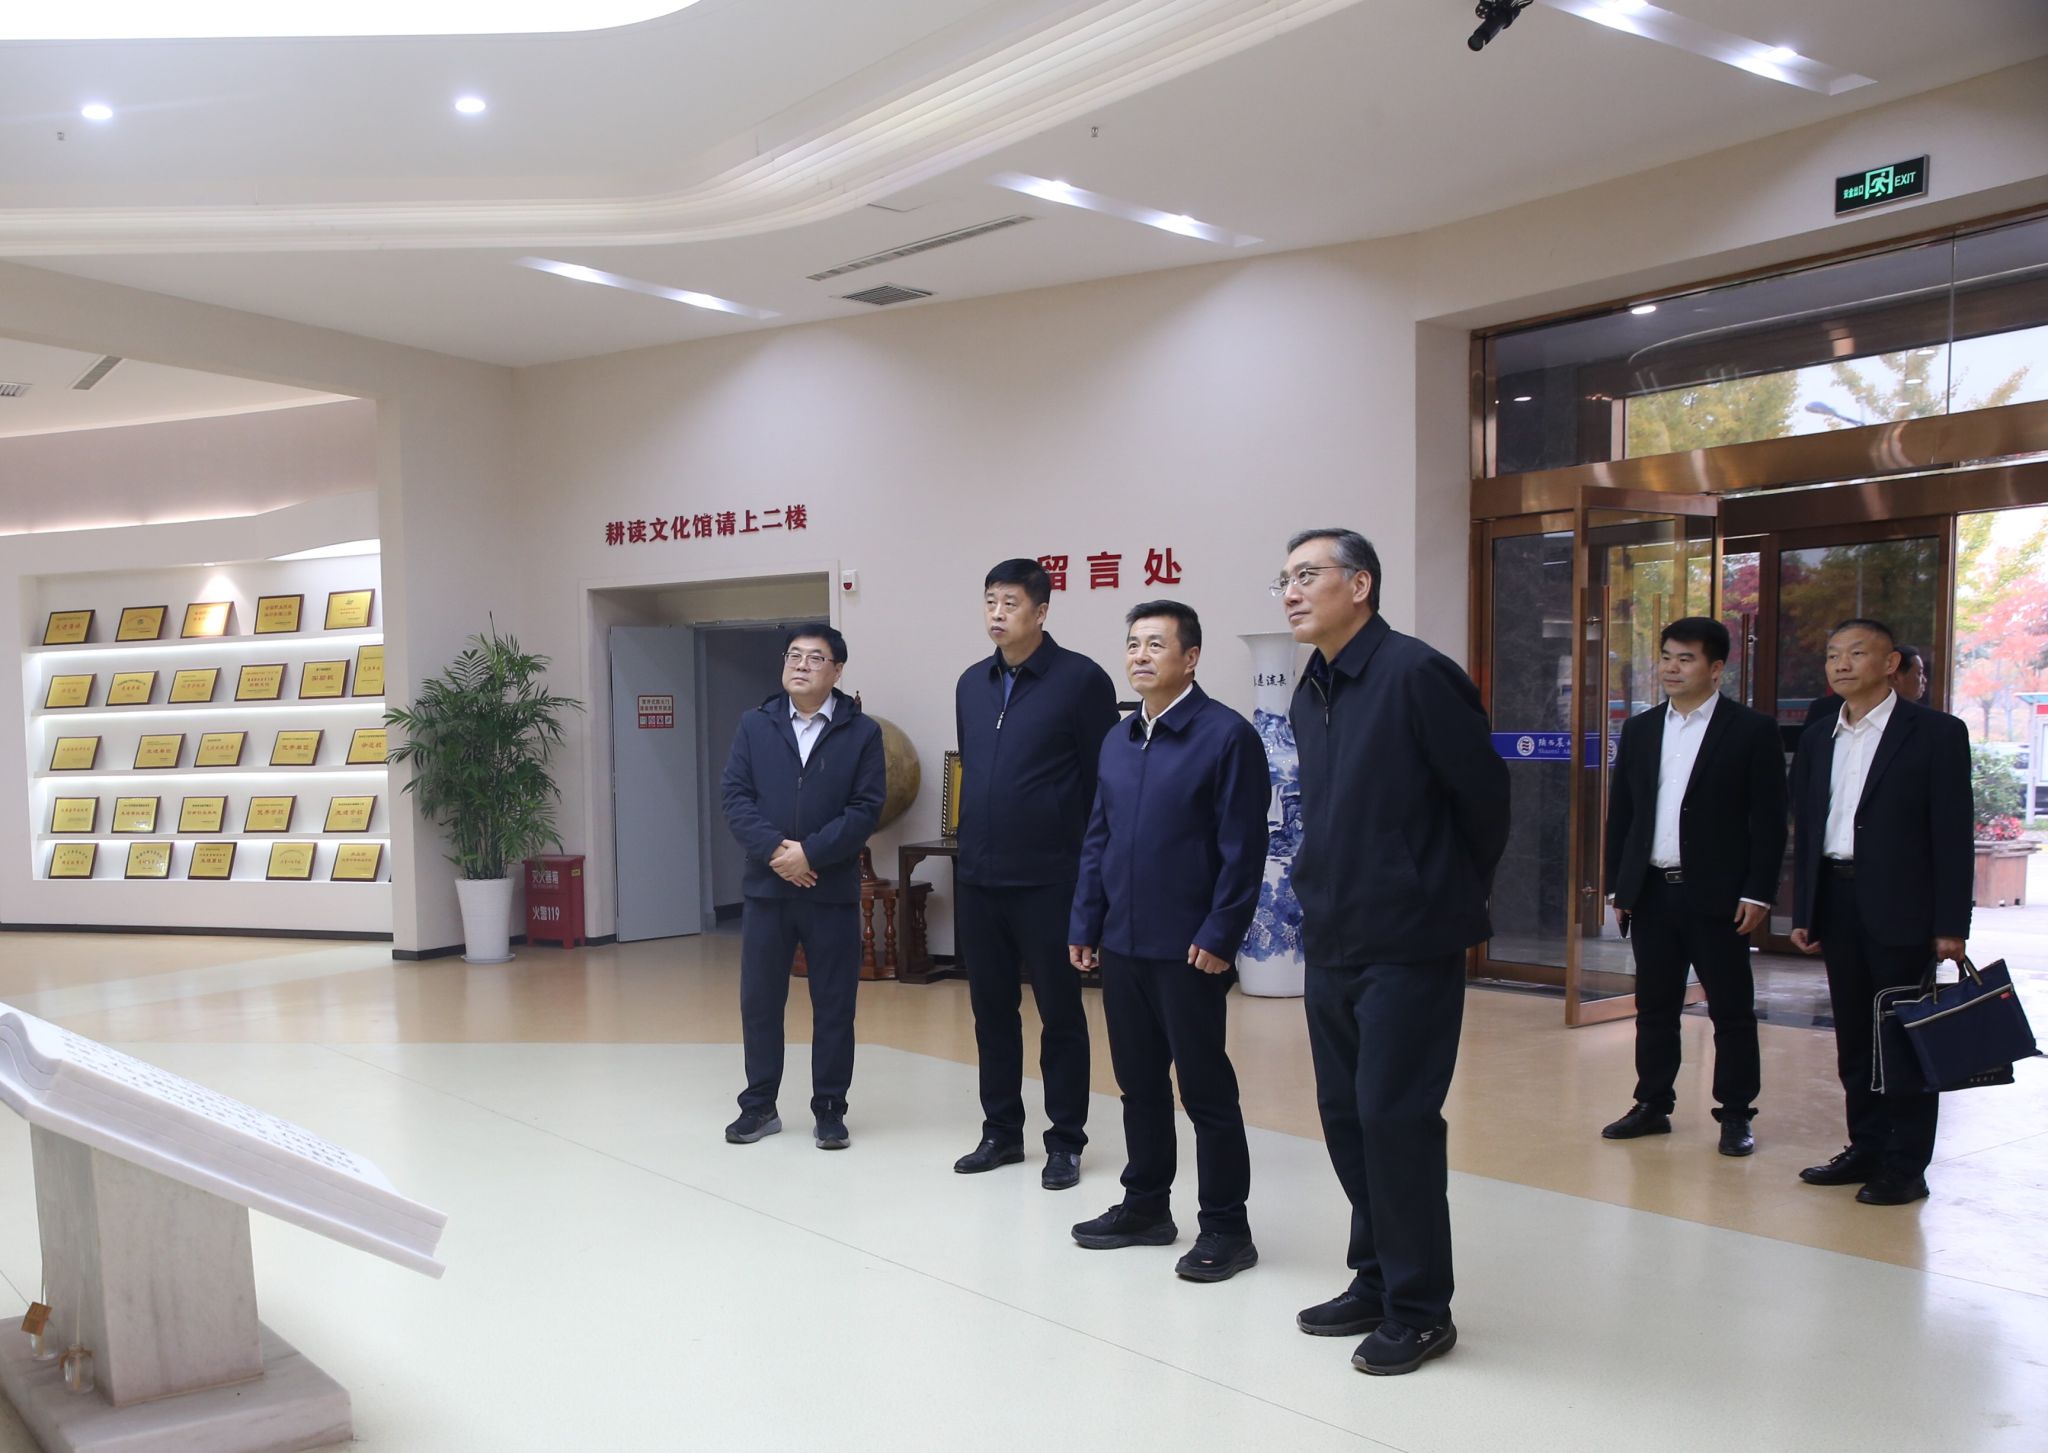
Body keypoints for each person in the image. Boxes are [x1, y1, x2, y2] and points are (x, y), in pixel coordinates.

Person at [1279, 528, 1509, 1376]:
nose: (1292, 591)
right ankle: (1376, 1276)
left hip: (1410, 939)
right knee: (1346, 1115)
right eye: (1284, 579)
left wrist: (1436, 889)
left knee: (1395, 1115)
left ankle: (1419, 1308)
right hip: (1333, 933)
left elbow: (1484, 798)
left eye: (1308, 575)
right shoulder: (1312, 687)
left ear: (1360, 585)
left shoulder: (1416, 673)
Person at [1067, 601, 1269, 1281]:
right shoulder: (1118, 738)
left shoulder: (1226, 736)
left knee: (1205, 1090)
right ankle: (1147, 1205)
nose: (1141, 655)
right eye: (1133, 643)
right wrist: (1085, 921)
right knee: (1138, 1084)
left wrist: (1221, 932)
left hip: (1190, 950)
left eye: (1156, 644)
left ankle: (1227, 1227)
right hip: (1123, 944)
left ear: (1191, 657)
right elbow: (1098, 838)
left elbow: (1244, 848)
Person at [1789, 618, 1973, 1206]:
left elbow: (1953, 835)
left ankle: (1906, 1165)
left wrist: (1951, 925)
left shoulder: (1936, 733)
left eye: (1856, 653)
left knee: (1904, 1037)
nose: (1840, 664)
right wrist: (1805, 908)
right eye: (1832, 655)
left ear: (1891, 664)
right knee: (1853, 1037)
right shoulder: (1820, 735)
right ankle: (1865, 1146)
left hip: (1904, 907)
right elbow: (1809, 827)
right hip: (1838, 899)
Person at [952, 558, 1120, 1189]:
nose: (997, 614)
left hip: (1053, 878)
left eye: (1011, 603)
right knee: (991, 1012)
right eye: (990, 601)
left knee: (1060, 1015)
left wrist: (1094, 881)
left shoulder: (1081, 680)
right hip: (979, 877)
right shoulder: (971, 683)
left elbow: (1105, 784)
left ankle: (1066, 1140)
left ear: (1041, 612)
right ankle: (1000, 1132)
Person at [1599, 618, 1786, 1156]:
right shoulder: (1641, 729)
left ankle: (1735, 1112)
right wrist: (1618, 887)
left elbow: (1770, 820)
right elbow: (1623, 814)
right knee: (1654, 1007)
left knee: (1731, 1010)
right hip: (1653, 891)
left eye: (1685, 659)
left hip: (1719, 896)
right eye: (1666, 657)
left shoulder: (1750, 730)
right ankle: (1652, 1103)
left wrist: (1757, 892)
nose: (1671, 668)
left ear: (1716, 667)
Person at [719, 624, 886, 1151]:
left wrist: (810, 854)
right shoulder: (755, 724)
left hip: (829, 890)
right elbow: (735, 797)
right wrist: (778, 853)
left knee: (834, 1004)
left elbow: (865, 809)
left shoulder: (862, 732)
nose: (801, 665)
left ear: (837, 671)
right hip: (767, 890)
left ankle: (830, 1109)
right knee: (760, 1002)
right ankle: (759, 1105)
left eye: (815, 658)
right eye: (794, 655)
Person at [1801, 641, 1927, 733]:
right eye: (1919, 673)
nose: (1924, 680)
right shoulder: (1825, 709)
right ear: (1895, 676)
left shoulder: (1927, 722)